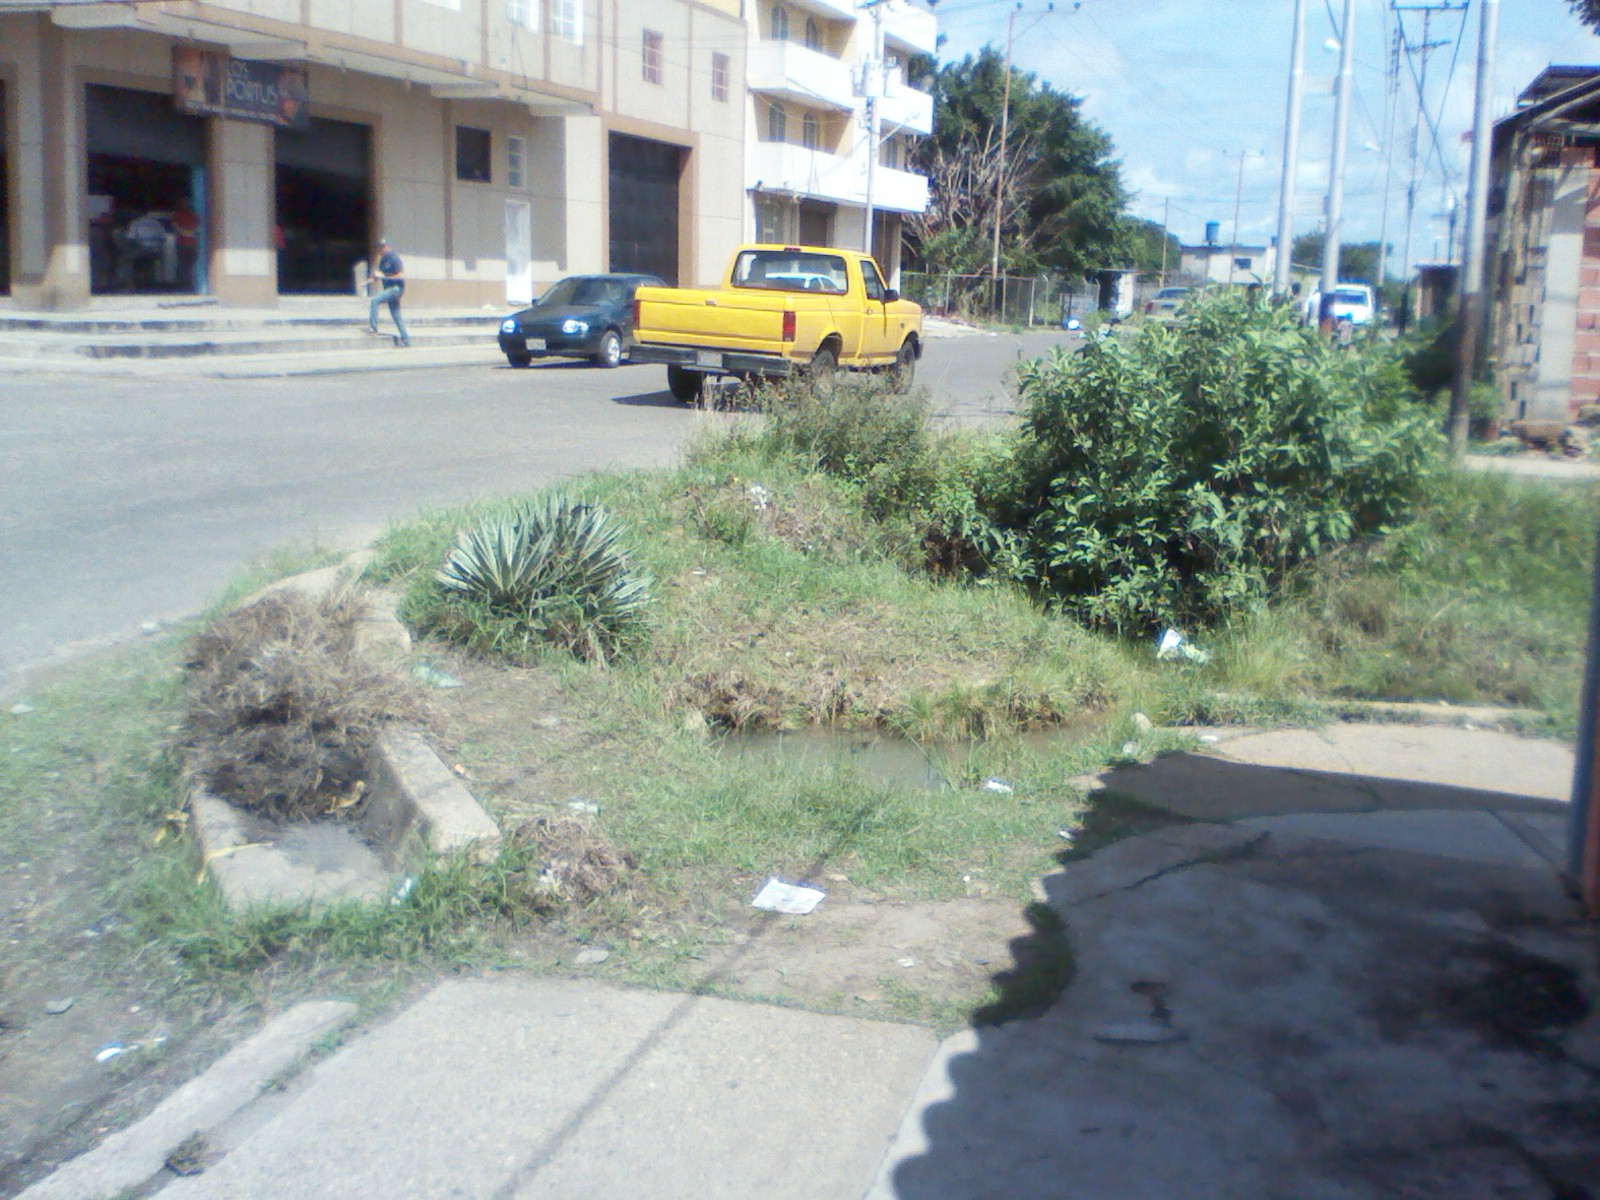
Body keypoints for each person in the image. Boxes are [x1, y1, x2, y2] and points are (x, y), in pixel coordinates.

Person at [367, 237, 411, 347]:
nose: (381, 249)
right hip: (388, 289)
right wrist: (373, 278)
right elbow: (379, 274)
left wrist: (386, 277)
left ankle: (373, 328)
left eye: (383, 247)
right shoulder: (383, 260)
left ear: (388, 247)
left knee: (374, 300)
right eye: (380, 247)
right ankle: (406, 340)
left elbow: (400, 275)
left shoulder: (394, 258)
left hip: (396, 289)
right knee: (396, 315)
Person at [170, 201, 200, 291]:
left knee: (183, 266)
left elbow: (174, 226)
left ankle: (183, 287)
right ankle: (189, 287)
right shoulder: (194, 216)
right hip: (192, 244)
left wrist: (184, 233)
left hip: (182, 244)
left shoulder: (177, 215)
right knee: (189, 266)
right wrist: (189, 233)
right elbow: (197, 229)